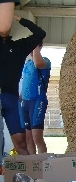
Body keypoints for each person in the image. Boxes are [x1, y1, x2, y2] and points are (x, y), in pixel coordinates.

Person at [0, 14, 46, 155]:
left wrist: (17, 18)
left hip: (11, 99)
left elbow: (40, 34)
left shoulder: (19, 47)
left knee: (21, 142)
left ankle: (28, 176)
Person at [19, 42, 51, 154]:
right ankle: (32, 165)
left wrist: (35, 45)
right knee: (28, 139)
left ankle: (44, 165)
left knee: (36, 137)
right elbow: (24, 82)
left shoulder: (45, 61)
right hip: (25, 102)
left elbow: (38, 63)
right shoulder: (27, 63)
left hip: (37, 100)